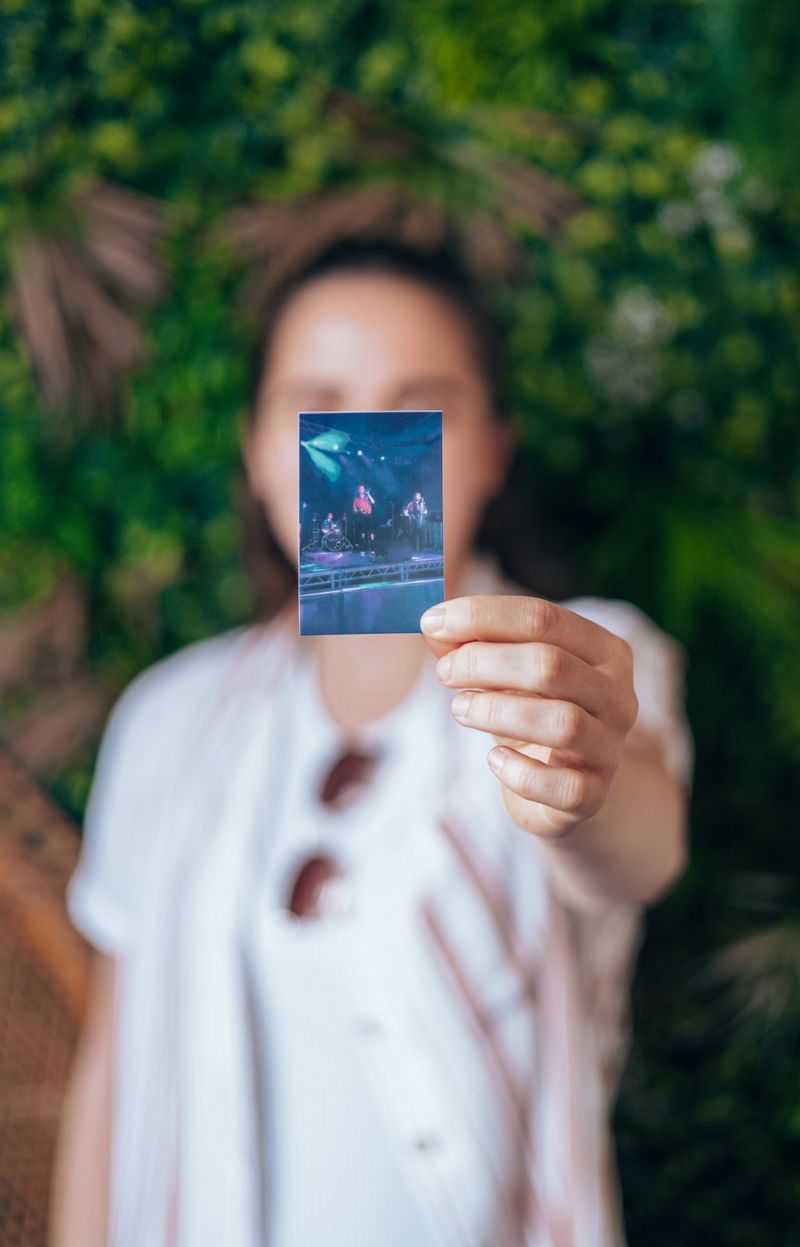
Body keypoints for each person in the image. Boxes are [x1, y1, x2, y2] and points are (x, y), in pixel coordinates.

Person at [51, 233, 693, 1247]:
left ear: (488, 448)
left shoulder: (581, 657)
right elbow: (117, 1066)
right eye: (319, 401)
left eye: (418, 404)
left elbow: (638, 844)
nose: (365, 442)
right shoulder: (167, 715)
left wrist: (582, 781)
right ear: (259, 451)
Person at [353, 483, 375, 553]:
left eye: (363, 488)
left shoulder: (367, 497)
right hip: (361, 516)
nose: (362, 489)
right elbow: (354, 510)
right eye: (361, 488)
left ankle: (372, 548)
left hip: (369, 516)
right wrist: (359, 510)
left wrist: (368, 494)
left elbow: (373, 502)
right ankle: (363, 548)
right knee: (362, 533)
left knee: (371, 532)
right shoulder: (356, 499)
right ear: (358, 490)